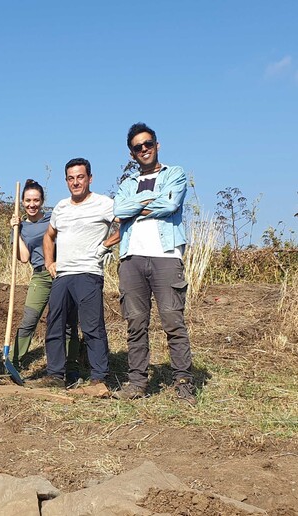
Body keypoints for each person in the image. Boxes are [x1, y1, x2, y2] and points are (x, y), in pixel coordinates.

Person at [112, 123, 196, 405]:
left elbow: (171, 205)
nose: (144, 149)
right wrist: (148, 201)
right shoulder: (126, 184)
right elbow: (119, 210)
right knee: (135, 323)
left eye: (148, 144)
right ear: (132, 154)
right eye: (138, 147)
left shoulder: (175, 174)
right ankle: (137, 381)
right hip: (131, 258)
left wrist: (136, 207)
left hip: (166, 255)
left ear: (157, 145)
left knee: (173, 321)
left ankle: (183, 381)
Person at [38, 158, 119, 397]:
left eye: (80, 177)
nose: (76, 182)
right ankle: (55, 375)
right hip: (63, 274)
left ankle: (98, 378)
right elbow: (48, 236)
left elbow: (125, 225)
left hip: (89, 272)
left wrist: (105, 245)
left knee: (92, 326)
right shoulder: (61, 207)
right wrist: (49, 262)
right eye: (71, 178)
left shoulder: (104, 204)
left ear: (90, 178)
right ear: (66, 181)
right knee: (55, 323)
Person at [9, 179, 82, 385]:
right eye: (28, 200)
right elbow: (24, 258)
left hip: (63, 273)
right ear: (22, 202)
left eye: (36, 200)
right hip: (40, 276)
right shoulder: (20, 226)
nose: (32, 204)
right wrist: (16, 231)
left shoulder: (52, 218)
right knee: (28, 321)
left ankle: (72, 368)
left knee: (68, 323)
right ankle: (13, 363)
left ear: (42, 201)